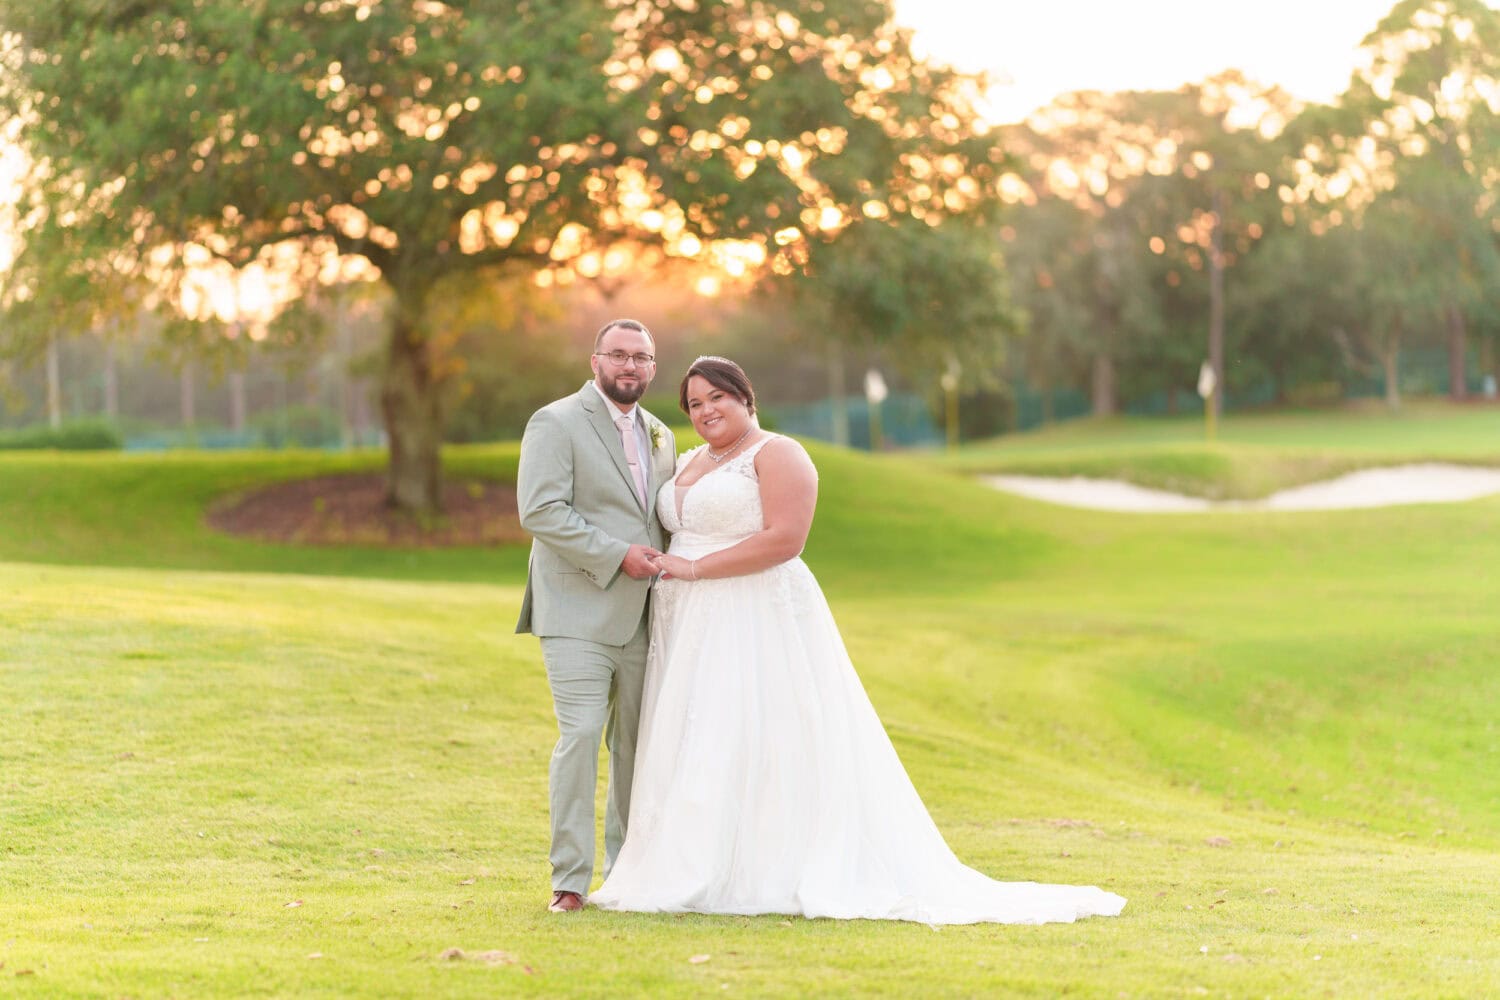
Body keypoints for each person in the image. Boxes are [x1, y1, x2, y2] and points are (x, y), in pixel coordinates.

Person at [589, 356, 1126, 924]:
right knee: (695, 732)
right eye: (694, 404)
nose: (705, 411)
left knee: (755, 728)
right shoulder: (691, 459)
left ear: (746, 398)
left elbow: (785, 540)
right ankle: (685, 862)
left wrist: (693, 569)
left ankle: (764, 866)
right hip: (687, 618)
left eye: (717, 397)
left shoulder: (778, 453)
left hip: (751, 611)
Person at [515, 318, 677, 913]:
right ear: (595, 361)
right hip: (576, 610)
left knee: (635, 746)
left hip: (644, 617)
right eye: (619, 355)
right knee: (581, 736)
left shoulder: (662, 433)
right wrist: (617, 557)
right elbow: (540, 511)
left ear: (653, 367)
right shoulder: (555, 421)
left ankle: (627, 874)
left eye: (642, 357)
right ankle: (570, 882)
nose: (630, 366)